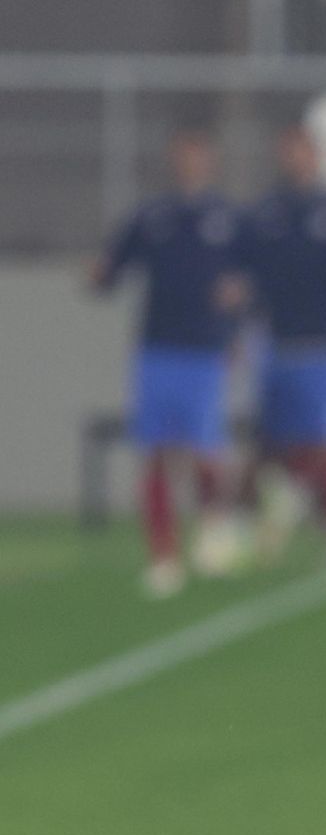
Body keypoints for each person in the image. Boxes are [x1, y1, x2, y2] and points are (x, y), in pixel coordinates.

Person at [89, 127, 248, 596]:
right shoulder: (150, 215)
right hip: (158, 349)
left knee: (204, 451)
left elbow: (254, 277)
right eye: (183, 155)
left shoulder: (228, 218)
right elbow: (110, 270)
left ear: (210, 160)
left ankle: (214, 533)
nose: (190, 163)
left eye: (198, 155)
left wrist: (238, 316)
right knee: (157, 453)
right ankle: (163, 557)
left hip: (205, 350)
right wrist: (98, 273)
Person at [235, 125, 326, 565]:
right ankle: (280, 511)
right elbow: (245, 274)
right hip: (278, 343)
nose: (295, 159)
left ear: (316, 157)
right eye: (288, 151)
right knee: (274, 444)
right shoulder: (266, 213)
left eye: (303, 151)